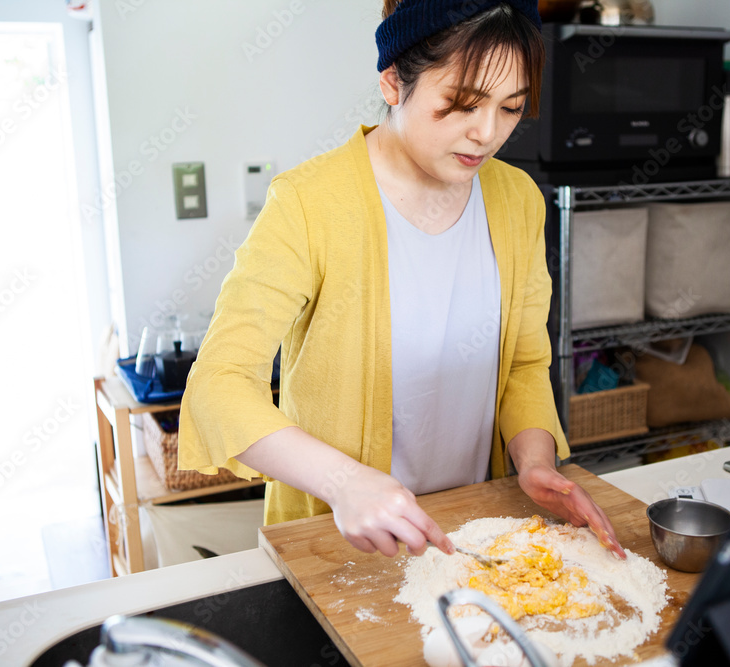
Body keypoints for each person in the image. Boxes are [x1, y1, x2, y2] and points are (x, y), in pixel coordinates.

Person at [178, 0, 626, 560]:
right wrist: (345, 484)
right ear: (393, 83)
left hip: (473, 533)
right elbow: (219, 384)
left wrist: (534, 463)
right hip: (339, 546)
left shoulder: (517, 202)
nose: (487, 134)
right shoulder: (309, 204)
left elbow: (523, 365)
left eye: (511, 108)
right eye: (462, 104)